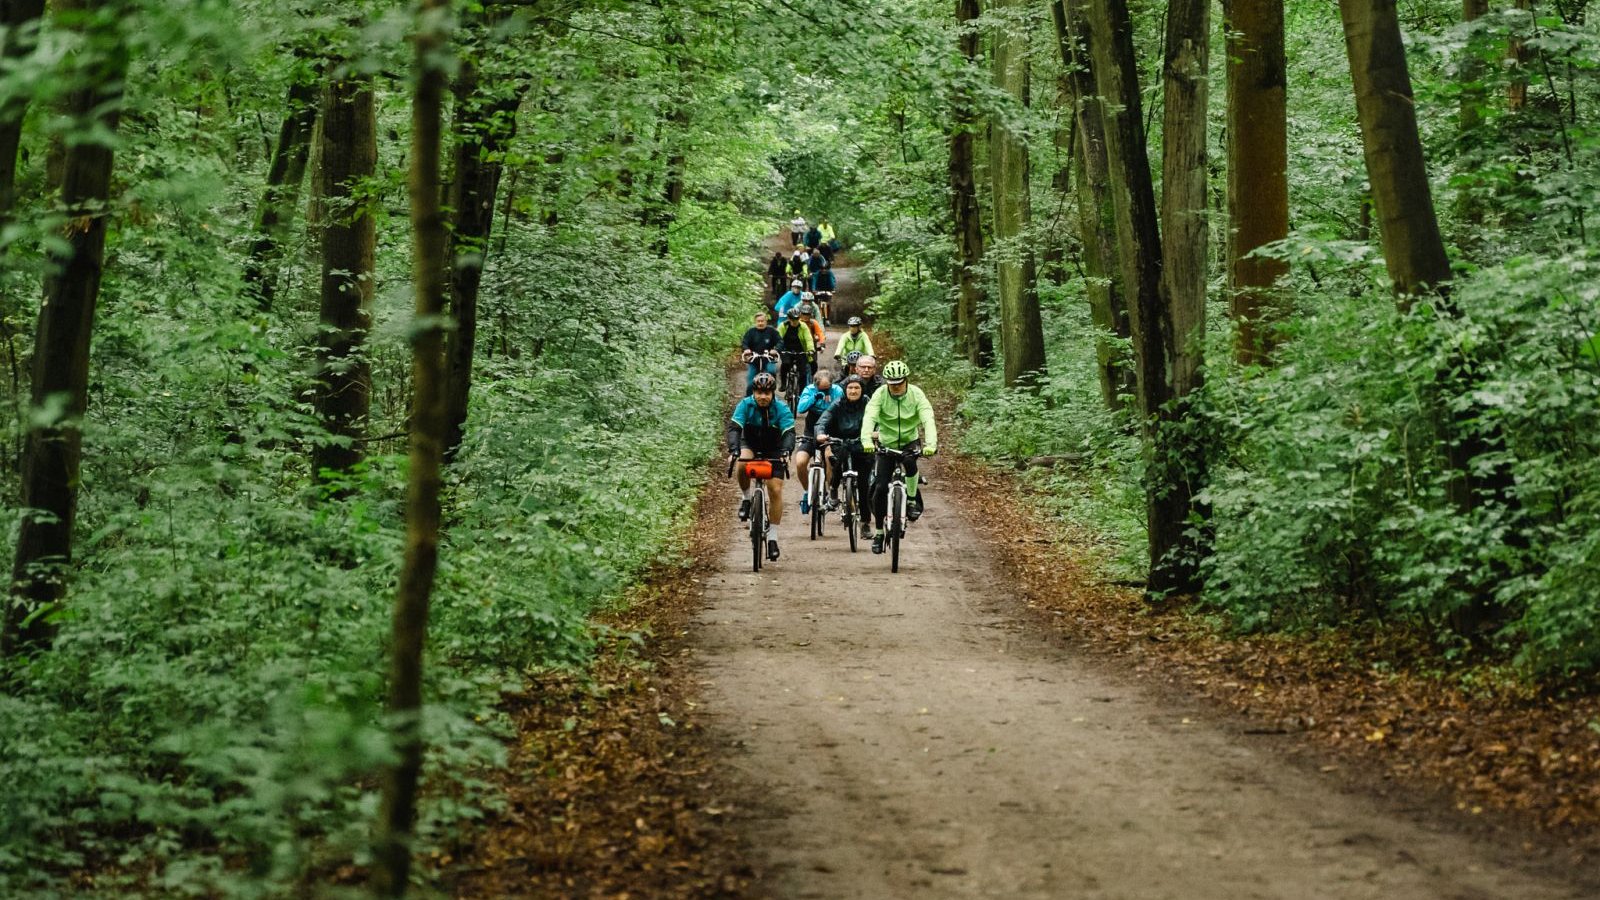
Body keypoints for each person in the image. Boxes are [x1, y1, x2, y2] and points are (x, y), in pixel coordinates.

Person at [862, 360, 938, 554]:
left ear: (906, 380)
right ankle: (879, 532)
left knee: (910, 462)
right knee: (879, 488)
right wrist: (867, 442)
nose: (895, 386)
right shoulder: (880, 394)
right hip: (886, 442)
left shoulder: (916, 394)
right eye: (891, 383)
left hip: (909, 441)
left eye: (899, 382)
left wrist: (931, 445)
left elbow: (927, 419)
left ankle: (911, 500)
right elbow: (869, 417)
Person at [729, 371, 796, 561]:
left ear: (773, 393)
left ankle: (773, 537)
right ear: (754, 392)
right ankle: (746, 498)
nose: (763, 397)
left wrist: (785, 452)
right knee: (742, 463)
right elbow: (735, 428)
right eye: (759, 393)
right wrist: (733, 449)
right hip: (750, 443)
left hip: (774, 448)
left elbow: (789, 433)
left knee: (775, 490)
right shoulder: (745, 405)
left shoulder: (781, 408)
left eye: (767, 393)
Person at [816, 375, 873, 539]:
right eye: (850, 388)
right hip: (841, 442)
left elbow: (879, 420)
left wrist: (878, 433)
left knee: (863, 485)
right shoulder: (838, 403)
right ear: (845, 390)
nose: (853, 391)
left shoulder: (868, 403)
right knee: (838, 463)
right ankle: (833, 490)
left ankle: (865, 524)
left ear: (862, 390)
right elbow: (823, 420)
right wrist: (820, 434)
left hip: (863, 445)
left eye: (857, 388)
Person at [792, 370, 842, 515]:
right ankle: (808, 491)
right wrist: (814, 397)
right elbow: (800, 409)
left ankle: (828, 492)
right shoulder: (809, 390)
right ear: (815, 385)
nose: (825, 391)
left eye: (827, 389)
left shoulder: (838, 391)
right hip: (811, 431)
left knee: (829, 458)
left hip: (831, 431)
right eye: (822, 389)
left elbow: (841, 409)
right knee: (800, 462)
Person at [740, 311, 782, 394]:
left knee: (771, 372)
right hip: (754, 360)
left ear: (766, 321)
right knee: (750, 384)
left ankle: (771, 392)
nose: (760, 323)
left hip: (768, 359)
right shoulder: (751, 332)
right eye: (758, 321)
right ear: (755, 322)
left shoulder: (771, 331)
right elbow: (744, 342)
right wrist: (746, 349)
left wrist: (775, 350)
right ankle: (748, 401)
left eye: (762, 321)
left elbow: (780, 341)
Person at [776, 307, 816, 393]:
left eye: (797, 318)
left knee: (803, 372)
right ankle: (783, 384)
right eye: (792, 319)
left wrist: (810, 349)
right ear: (789, 318)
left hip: (800, 350)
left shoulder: (803, 326)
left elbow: (808, 339)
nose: (795, 321)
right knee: (785, 364)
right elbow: (777, 338)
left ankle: (802, 392)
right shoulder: (783, 326)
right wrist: (776, 349)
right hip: (786, 350)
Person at [798, 302, 826, 381]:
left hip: (811, 345)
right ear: (800, 314)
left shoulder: (813, 323)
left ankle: (812, 379)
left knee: (813, 364)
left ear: (811, 315)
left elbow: (820, 333)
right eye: (804, 314)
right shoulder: (797, 322)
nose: (806, 316)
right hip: (798, 345)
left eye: (808, 314)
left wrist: (822, 343)